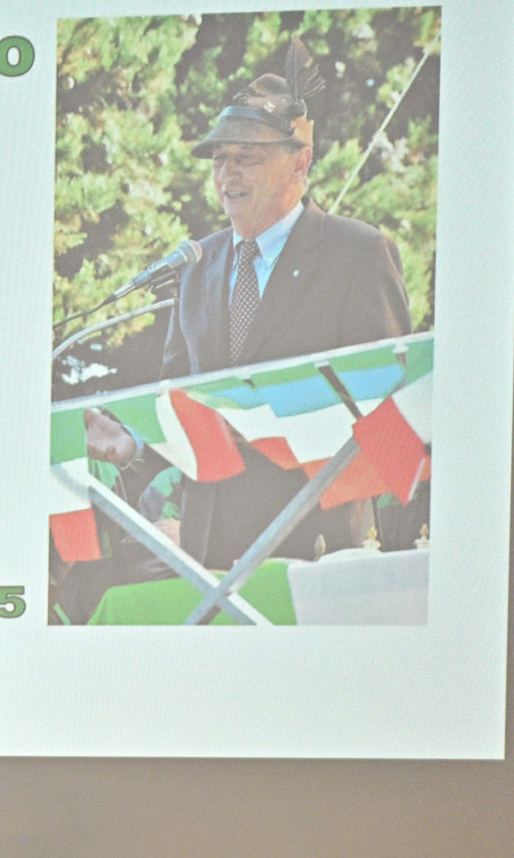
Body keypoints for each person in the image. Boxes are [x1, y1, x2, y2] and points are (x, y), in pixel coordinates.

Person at [137, 36, 414, 572]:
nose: (227, 175)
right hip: (209, 552)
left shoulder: (357, 254)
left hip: (318, 544)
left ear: (299, 163)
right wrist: (130, 445)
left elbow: (387, 407)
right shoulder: (197, 265)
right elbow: (179, 400)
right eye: (220, 160)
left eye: (247, 159)